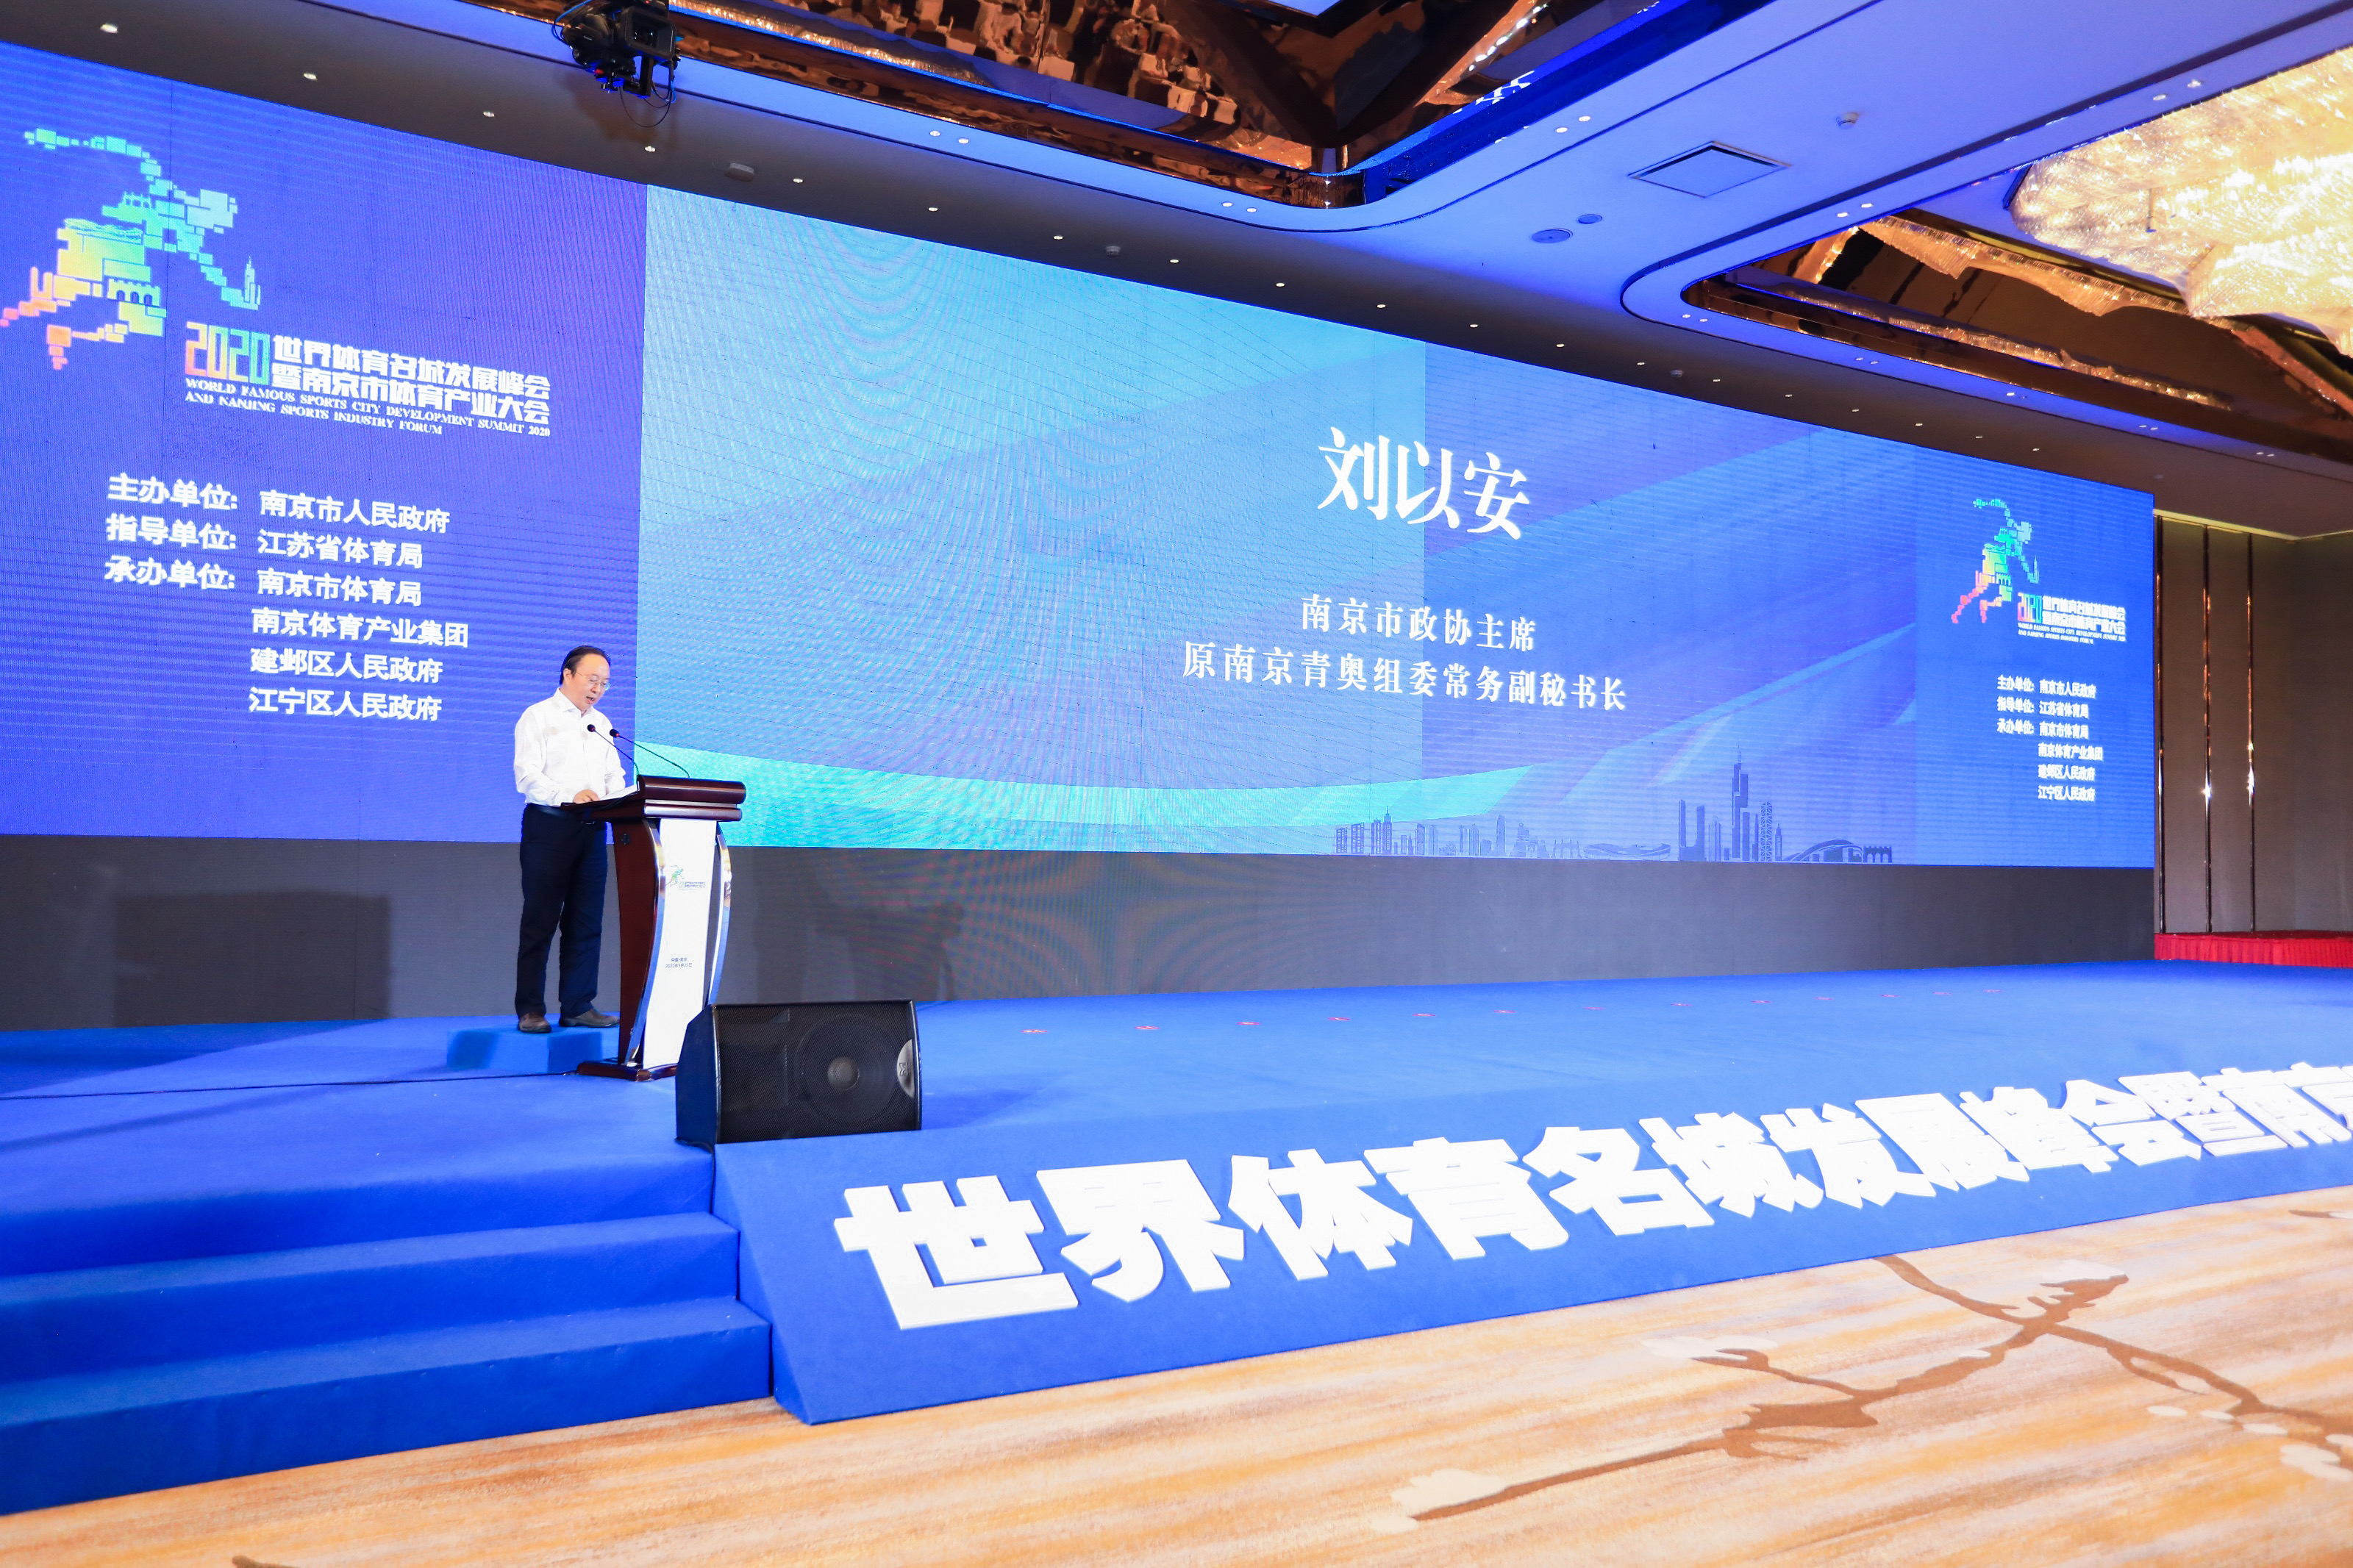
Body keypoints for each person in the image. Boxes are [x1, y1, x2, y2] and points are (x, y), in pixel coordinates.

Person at [511, 645, 629, 1034]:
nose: (598, 689)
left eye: (605, 683)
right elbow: (527, 776)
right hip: (550, 827)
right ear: (568, 674)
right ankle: (530, 1009)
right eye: (592, 680)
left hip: (593, 830)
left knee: (586, 921)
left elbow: (613, 776)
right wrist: (569, 795)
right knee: (540, 921)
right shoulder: (538, 716)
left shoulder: (601, 723)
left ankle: (578, 1005)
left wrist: (616, 797)